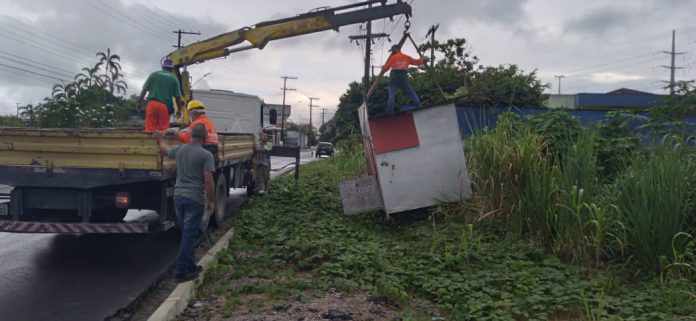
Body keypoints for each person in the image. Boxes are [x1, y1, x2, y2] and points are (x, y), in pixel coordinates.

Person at [156, 124, 215, 283]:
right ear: (205, 137)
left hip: (178, 197)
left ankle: (191, 266)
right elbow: (208, 180)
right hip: (194, 199)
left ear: (190, 136)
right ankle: (182, 271)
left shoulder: (180, 150)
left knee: (187, 233)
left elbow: (165, 150)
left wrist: (160, 138)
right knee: (189, 236)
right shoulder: (206, 155)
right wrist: (211, 201)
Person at [136, 58, 183, 133]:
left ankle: (149, 143)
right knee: (163, 131)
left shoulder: (153, 75)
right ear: (171, 68)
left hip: (152, 104)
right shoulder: (174, 78)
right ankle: (161, 143)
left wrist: (139, 102)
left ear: (163, 67)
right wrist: (179, 110)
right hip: (164, 107)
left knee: (149, 129)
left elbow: (144, 90)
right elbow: (178, 97)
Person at [381, 44, 425, 113]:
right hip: (403, 79)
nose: (392, 52)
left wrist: (383, 66)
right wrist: (422, 59)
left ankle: (390, 111)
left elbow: (385, 68)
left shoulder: (393, 57)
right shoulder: (406, 57)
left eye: (392, 50)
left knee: (391, 94)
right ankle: (419, 105)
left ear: (396, 49)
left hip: (393, 79)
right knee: (411, 93)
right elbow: (417, 62)